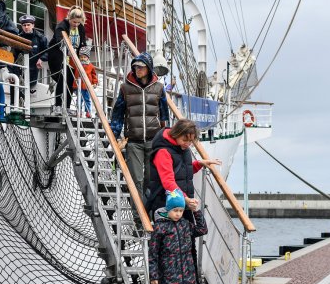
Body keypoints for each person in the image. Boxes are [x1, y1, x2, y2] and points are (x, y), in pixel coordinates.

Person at [110, 52, 169, 197]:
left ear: (148, 68)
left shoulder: (159, 88)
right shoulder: (125, 88)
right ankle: (138, 219)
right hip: (133, 142)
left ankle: (148, 216)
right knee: (136, 180)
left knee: (151, 179)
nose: (138, 69)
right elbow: (117, 114)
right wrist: (114, 136)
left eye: (141, 67)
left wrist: (165, 138)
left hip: (153, 140)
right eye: (135, 67)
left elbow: (164, 114)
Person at [144, 118, 221, 214]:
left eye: (191, 141)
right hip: (166, 205)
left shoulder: (182, 148)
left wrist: (199, 163)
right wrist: (185, 198)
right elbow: (168, 181)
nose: (188, 144)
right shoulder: (163, 152)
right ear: (176, 134)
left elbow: (182, 171)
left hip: (181, 203)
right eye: (185, 140)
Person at [46, 6, 87, 113]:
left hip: (72, 58)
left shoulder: (81, 28)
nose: (76, 25)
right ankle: (58, 105)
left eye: (78, 22)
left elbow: (83, 44)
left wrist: (83, 57)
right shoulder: (61, 26)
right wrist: (68, 51)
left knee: (70, 81)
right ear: (69, 18)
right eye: (74, 22)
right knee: (61, 78)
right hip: (58, 55)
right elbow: (59, 40)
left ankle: (67, 107)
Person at [17, 14, 49, 92]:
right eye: (24, 25)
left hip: (33, 70)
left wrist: (41, 59)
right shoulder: (18, 38)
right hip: (19, 69)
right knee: (18, 92)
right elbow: (14, 54)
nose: (26, 27)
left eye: (28, 25)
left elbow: (48, 50)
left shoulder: (40, 37)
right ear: (22, 26)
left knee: (29, 90)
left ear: (33, 25)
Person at [71, 52, 98, 117]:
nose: (83, 58)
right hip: (79, 85)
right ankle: (79, 111)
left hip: (87, 86)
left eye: (84, 57)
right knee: (79, 100)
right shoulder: (77, 64)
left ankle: (88, 112)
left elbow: (94, 75)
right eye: (81, 57)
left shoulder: (90, 66)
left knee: (87, 99)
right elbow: (71, 63)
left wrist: (95, 83)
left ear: (88, 58)